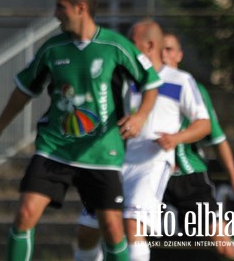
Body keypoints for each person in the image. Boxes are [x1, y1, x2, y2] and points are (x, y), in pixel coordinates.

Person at [0, 0, 162, 261]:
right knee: (25, 213)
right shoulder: (52, 49)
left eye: (60, 7)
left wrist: (140, 116)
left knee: (112, 229)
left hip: (102, 151)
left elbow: (150, 82)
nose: (55, 14)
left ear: (80, 8)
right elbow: (24, 90)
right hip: (55, 147)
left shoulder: (115, 46)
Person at [74, 21, 211, 261]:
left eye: (131, 43)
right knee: (88, 231)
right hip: (113, 161)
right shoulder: (123, 78)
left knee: (131, 223)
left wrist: (176, 138)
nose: (125, 48)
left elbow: (204, 123)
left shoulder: (180, 80)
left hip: (151, 163)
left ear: (149, 46)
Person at [161, 32, 234, 260]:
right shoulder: (139, 86)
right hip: (150, 175)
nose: (164, 55)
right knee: (120, 234)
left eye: (170, 49)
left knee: (223, 246)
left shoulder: (191, 88)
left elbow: (217, 139)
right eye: (160, 49)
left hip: (188, 177)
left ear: (180, 55)